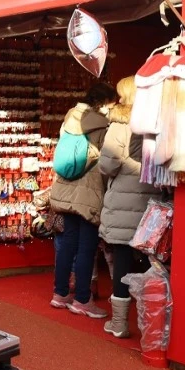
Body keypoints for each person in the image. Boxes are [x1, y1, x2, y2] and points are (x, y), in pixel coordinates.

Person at [49, 81, 119, 318]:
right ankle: (82, 299)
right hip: (89, 192)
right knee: (86, 247)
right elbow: (109, 161)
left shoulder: (71, 117)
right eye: (112, 103)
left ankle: (59, 294)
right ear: (103, 103)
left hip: (65, 188)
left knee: (68, 242)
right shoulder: (104, 126)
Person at [98, 76, 160, 338]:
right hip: (153, 201)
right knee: (154, 261)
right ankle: (153, 321)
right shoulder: (156, 122)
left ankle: (121, 322)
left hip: (124, 199)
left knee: (122, 259)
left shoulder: (120, 124)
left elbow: (107, 164)